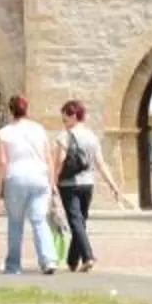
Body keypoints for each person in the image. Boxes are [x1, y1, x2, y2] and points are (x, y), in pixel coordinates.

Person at [0, 93, 59, 275]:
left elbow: (2, 161)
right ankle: (48, 260)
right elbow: (48, 157)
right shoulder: (38, 129)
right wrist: (51, 182)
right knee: (39, 219)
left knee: (15, 222)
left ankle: (13, 264)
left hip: (15, 177)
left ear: (11, 111)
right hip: (39, 177)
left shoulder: (4, 133)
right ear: (27, 109)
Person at [53, 99, 105, 273]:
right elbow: (100, 163)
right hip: (88, 183)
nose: (64, 124)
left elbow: (59, 161)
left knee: (76, 222)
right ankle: (72, 260)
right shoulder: (92, 136)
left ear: (73, 116)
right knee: (80, 222)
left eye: (65, 120)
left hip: (69, 184)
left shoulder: (65, 136)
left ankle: (88, 256)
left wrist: (53, 180)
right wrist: (113, 185)